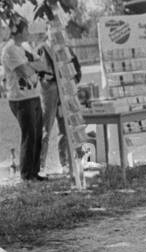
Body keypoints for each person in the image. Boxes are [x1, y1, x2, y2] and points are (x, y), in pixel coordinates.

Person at [1, 19, 45, 181]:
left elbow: (43, 65)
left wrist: (31, 65)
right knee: (29, 134)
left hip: (33, 95)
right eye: (26, 30)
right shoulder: (10, 49)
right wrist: (31, 65)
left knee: (37, 133)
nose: (29, 33)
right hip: (20, 98)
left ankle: (35, 171)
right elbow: (24, 71)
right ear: (19, 31)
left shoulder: (24, 47)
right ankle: (26, 174)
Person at [37, 33, 82, 173]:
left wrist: (72, 82)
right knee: (46, 127)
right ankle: (40, 164)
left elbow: (76, 69)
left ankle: (65, 163)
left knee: (64, 127)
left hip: (64, 89)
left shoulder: (66, 49)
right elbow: (38, 70)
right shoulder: (43, 49)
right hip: (50, 90)